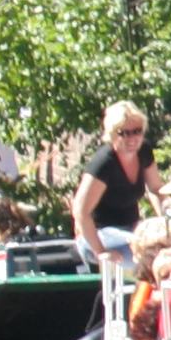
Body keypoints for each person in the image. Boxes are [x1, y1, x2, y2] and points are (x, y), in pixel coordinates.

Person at [66, 105, 152, 269]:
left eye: (137, 131)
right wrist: (100, 252)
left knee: (163, 245)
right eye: (124, 133)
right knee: (144, 253)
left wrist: (165, 220)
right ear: (112, 134)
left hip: (129, 231)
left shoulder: (144, 151)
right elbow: (80, 211)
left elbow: (157, 190)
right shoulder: (104, 163)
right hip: (96, 235)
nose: (133, 138)